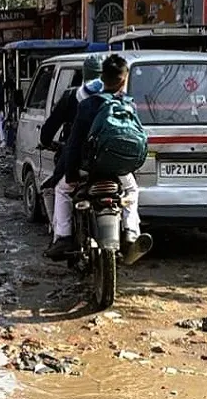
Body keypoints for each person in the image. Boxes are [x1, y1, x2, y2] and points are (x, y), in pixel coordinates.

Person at [47, 54, 153, 264]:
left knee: (61, 191)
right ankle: (131, 232)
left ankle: (64, 237)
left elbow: (74, 143)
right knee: (132, 190)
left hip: (89, 168)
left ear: (102, 79)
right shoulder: (129, 104)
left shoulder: (87, 104)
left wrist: (70, 174)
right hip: (118, 170)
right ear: (124, 79)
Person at [39, 56, 105, 192]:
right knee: (131, 191)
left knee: (55, 189)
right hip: (109, 157)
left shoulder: (72, 97)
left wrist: (45, 141)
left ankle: (58, 214)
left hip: (78, 158)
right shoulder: (115, 97)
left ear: (84, 73)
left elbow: (50, 128)